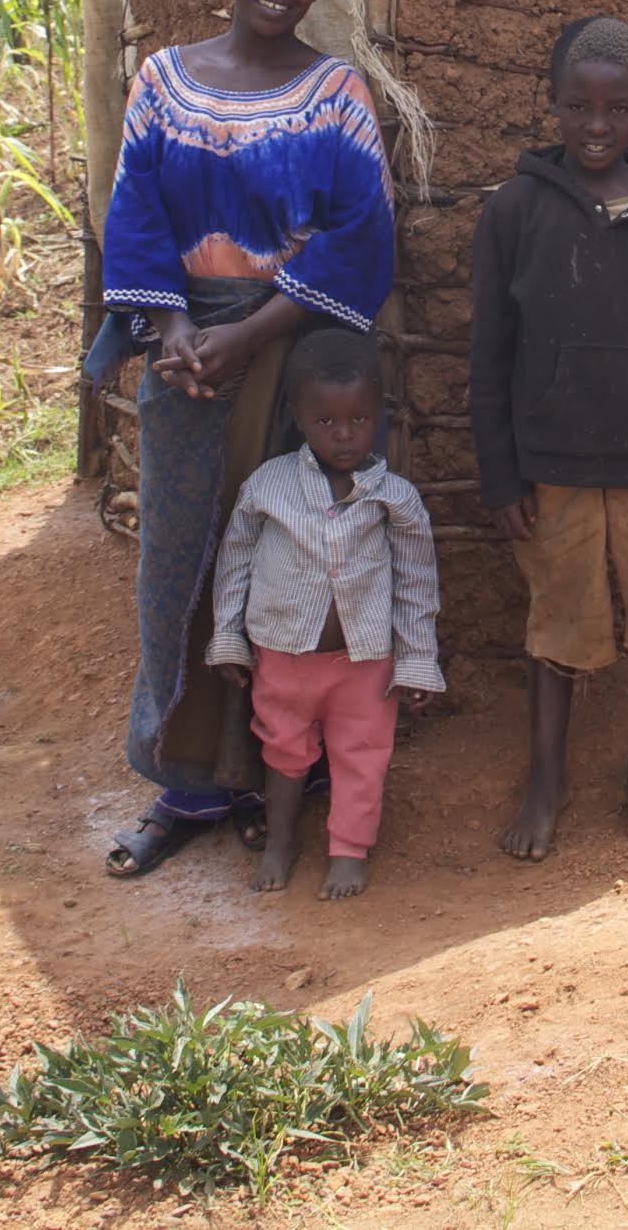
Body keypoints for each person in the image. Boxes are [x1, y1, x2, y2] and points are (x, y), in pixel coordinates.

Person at [90, 0, 395, 880]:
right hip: (183, 351)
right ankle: (182, 782)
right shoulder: (164, 84)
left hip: (293, 350)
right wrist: (176, 329)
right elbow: (133, 216)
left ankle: (273, 779)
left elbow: (362, 237)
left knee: (285, 563)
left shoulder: (336, 97)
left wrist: (252, 333)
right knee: (177, 561)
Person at [469, 15, 628, 860]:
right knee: (559, 626)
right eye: (577, 105)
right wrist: (502, 477)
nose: (595, 124)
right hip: (556, 465)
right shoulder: (515, 212)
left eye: (616, 109)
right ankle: (547, 778)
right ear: (550, 106)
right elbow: (490, 358)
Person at [206, 328, 441, 899]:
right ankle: (282, 840)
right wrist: (228, 637)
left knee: (362, 754)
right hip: (283, 654)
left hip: (364, 662)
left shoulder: (395, 498)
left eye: (357, 421)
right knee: (283, 750)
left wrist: (417, 661)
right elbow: (235, 560)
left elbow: (416, 583)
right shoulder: (268, 486)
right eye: (327, 423)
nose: (343, 436)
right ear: (298, 418)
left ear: (377, 415)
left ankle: (349, 849)